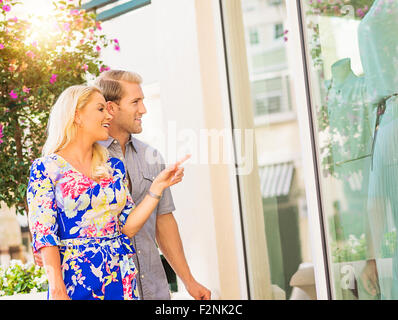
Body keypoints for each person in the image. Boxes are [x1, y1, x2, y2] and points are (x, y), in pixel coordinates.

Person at [27, 85, 188, 300]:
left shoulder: (113, 166)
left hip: (121, 278)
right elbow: (45, 235)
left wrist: (157, 187)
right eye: (100, 109)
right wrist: (57, 289)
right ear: (77, 115)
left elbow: (128, 227)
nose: (108, 115)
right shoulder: (46, 168)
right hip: (75, 282)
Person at [93, 70, 211, 300]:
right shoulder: (88, 159)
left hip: (155, 290)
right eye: (135, 102)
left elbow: (164, 222)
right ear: (110, 108)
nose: (143, 110)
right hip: (111, 291)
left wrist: (189, 281)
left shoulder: (152, 157)